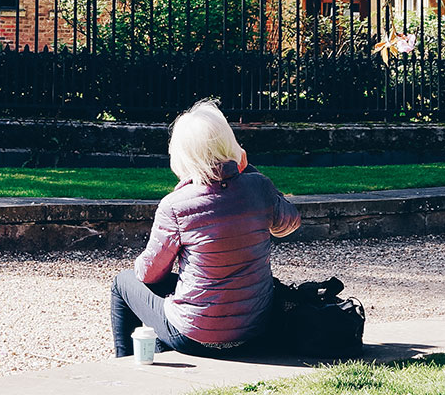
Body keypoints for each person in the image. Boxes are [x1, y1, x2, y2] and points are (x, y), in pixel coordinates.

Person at [109, 99, 302, 358]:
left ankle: (123, 364)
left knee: (123, 282)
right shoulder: (260, 188)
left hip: (193, 335)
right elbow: (290, 223)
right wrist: (247, 168)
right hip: (254, 328)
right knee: (179, 289)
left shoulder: (176, 205)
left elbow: (148, 274)